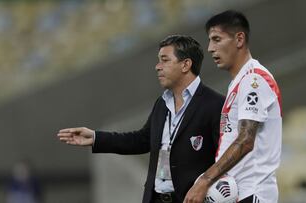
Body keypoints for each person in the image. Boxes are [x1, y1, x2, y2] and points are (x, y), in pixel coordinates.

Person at [57, 35, 225, 203]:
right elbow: (142, 140)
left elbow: (228, 156)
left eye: (164, 60)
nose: (157, 67)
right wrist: (96, 137)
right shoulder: (162, 103)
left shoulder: (216, 105)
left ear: (185, 65)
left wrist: (206, 184)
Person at [184, 10, 282, 203]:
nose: (210, 48)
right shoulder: (238, 83)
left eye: (217, 39)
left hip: (253, 193)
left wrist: (205, 180)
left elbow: (246, 140)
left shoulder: (253, 79)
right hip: (239, 193)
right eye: (210, 41)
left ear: (239, 39)